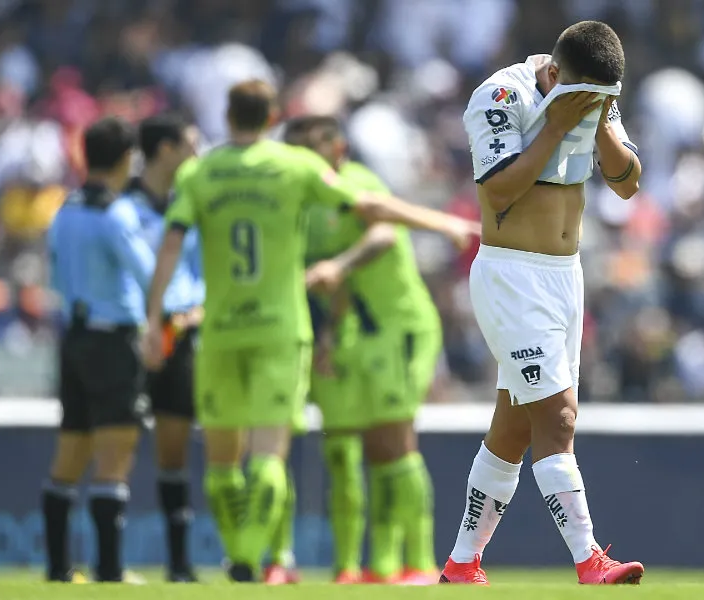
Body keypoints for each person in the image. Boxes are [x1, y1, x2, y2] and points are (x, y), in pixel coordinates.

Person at [140, 80, 477, 583]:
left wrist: (154, 319)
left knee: (240, 456)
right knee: (297, 449)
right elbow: (368, 218)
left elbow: (171, 245)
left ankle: (383, 561)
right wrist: (441, 222)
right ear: (271, 118)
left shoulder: (200, 172)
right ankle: (290, 559)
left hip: (273, 328)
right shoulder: (294, 173)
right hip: (288, 328)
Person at [439, 21, 645, 585]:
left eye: (607, 98)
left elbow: (628, 182)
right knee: (557, 418)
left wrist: (599, 122)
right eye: (583, 95)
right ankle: (589, 559)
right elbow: (499, 191)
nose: (595, 105)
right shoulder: (502, 97)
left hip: (564, 277)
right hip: (512, 277)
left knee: (513, 428)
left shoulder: (595, 94)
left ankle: (461, 562)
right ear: (554, 75)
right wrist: (553, 128)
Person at [281, 116, 441, 585]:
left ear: (336, 148)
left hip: (401, 325)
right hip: (356, 333)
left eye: (307, 150)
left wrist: (339, 265)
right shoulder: (309, 203)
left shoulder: (358, 181)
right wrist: (329, 334)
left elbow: (383, 233)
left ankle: (421, 563)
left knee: (394, 441)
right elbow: (333, 285)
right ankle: (367, 567)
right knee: (359, 448)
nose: (299, 162)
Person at [43, 117, 153, 583]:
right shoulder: (117, 213)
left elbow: (53, 271)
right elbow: (148, 273)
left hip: (73, 337)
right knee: (115, 454)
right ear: (127, 158)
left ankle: (57, 568)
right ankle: (109, 569)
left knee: (70, 450)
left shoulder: (64, 208)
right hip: (112, 340)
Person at [126, 113, 201, 582]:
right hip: (132, 334)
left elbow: (205, 270)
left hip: (183, 331)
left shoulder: (191, 202)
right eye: (191, 141)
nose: (198, 150)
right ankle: (108, 561)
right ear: (167, 148)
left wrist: (199, 311)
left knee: (174, 447)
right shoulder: (123, 205)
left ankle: (178, 565)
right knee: (116, 442)